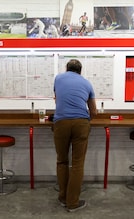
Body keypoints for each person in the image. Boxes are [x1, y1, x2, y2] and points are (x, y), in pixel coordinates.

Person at [53, 59, 97, 212]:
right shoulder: (87, 83)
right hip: (81, 123)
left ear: (67, 69)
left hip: (61, 122)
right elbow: (94, 111)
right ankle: (72, 203)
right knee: (77, 164)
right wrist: (85, 121)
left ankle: (63, 197)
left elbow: (57, 99)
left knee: (62, 160)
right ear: (80, 71)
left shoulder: (58, 78)